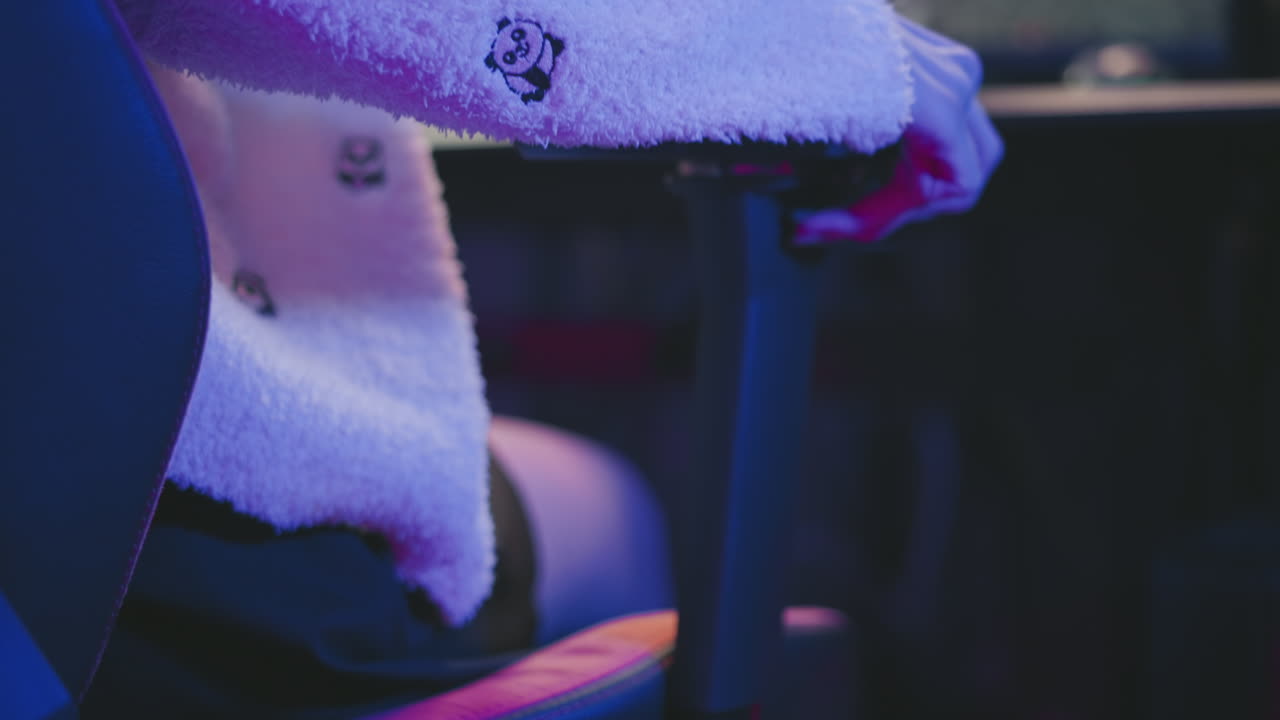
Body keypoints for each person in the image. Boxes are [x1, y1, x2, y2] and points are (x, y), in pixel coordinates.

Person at [83, 5, 1001, 717]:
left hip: (81, 486)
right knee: (610, 508)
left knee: (576, 488)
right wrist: (819, 45)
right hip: (139, 549)